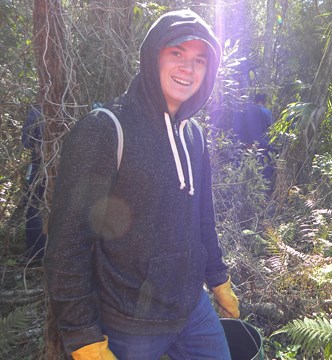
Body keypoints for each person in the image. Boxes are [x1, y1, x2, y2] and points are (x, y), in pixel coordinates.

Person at [44, 9, 239, 360]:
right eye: (176, 53)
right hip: (129, 322)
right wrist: (83, 336)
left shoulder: (193, 136)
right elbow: (66, 245)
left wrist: (218, 278)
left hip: (192, 310)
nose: (187, 68)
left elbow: (202, 219)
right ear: (153, 56)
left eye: (199, 60)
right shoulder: (105, 130)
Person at [21, 104, 47, 261]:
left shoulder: (36, 111)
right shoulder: (69, 108)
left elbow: (26, 141)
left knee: (33, 206)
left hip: (39, 168)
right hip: (53, 168)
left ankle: (36, 253)